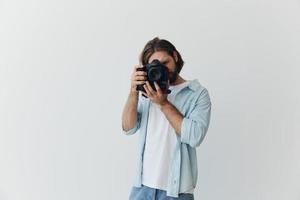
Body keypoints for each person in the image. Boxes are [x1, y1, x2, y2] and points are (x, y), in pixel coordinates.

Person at [121, 37, 212, 200]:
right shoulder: (147, 91)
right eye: (154, 66)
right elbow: (128, 128)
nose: (161, 70)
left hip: (176, 192)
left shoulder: (198, 94)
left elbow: (195, 136)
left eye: (165, 63)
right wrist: (133, 92)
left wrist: (163, 104)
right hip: (142, 187)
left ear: (176, 57)